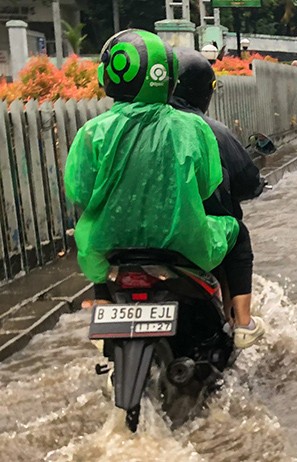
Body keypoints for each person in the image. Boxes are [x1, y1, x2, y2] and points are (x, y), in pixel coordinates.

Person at [65, 30, 239, 311]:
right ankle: (240, 320)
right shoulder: (193, 127)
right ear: (170, 79)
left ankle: (102, 306)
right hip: (185, 246)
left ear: (106, 76)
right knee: (234, 230)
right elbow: (207, 186)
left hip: (107, 247)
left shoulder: (92, 132)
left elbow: (79, 192)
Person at [171, 48, 267, 348]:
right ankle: (242, 323)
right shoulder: (210, 131)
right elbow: (247, 182)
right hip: (191, 238)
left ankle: (105, 319)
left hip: (125, 239)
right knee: (237, 235)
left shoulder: (124, 128)